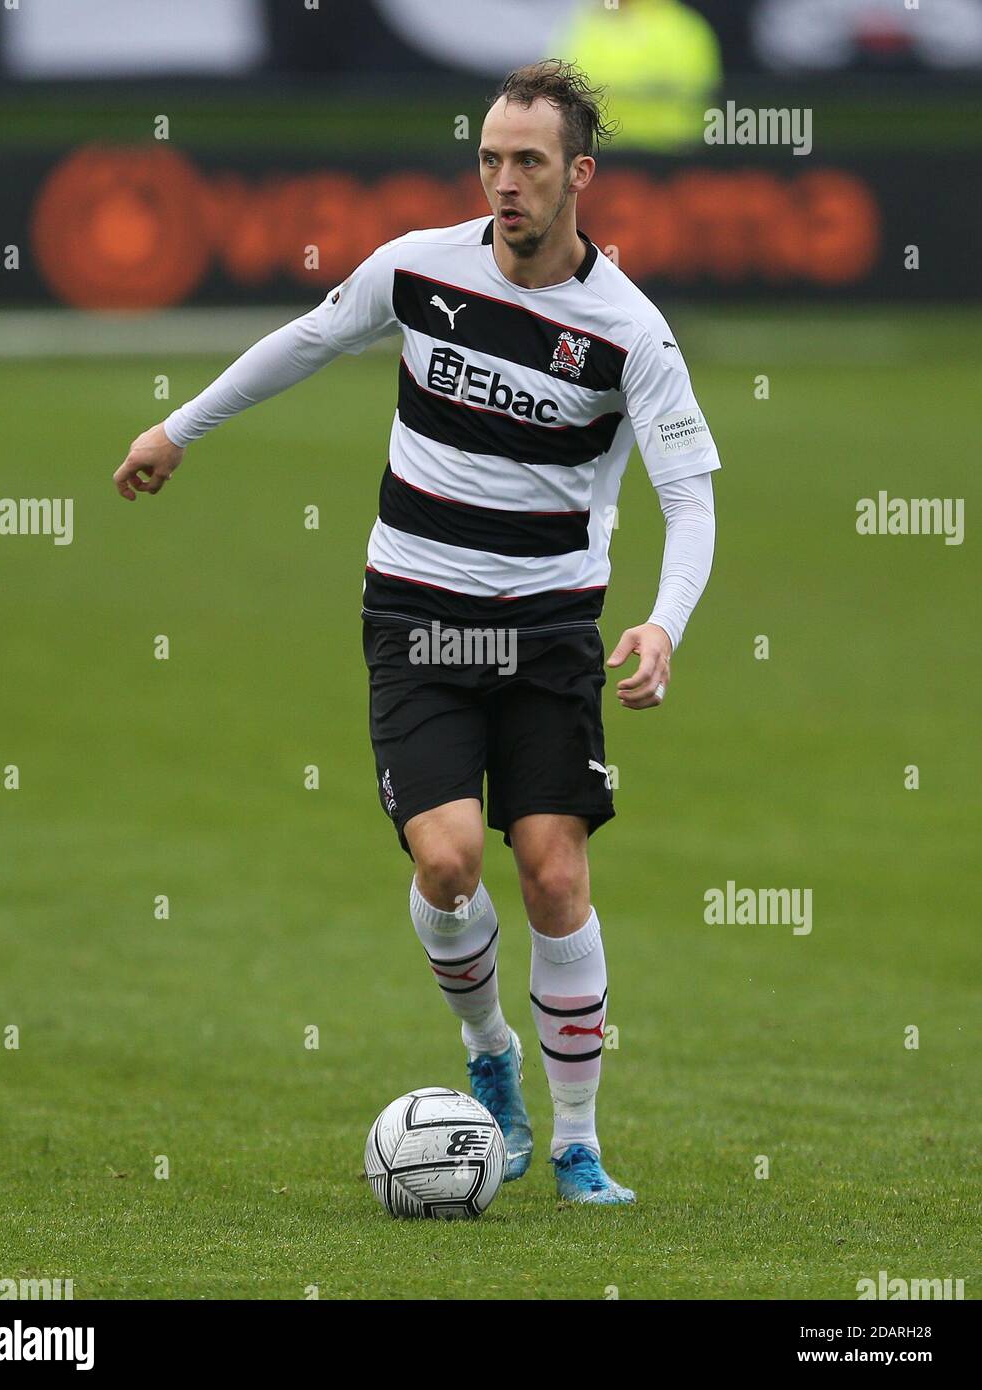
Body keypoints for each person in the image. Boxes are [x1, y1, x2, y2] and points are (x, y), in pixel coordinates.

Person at [113, 59, 720, 1205]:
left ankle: (580, 1141)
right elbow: (305, 338)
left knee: (551, 874)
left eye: (528, 162)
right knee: (445, 863)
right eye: (489, 159)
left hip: (548, 634)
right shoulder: (414, 269)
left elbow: (690, 495)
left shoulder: (631, 332)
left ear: (577, 174)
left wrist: (664, 621)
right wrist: (177, 428)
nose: (503, 181)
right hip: (416, 613)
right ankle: (490, 1051)